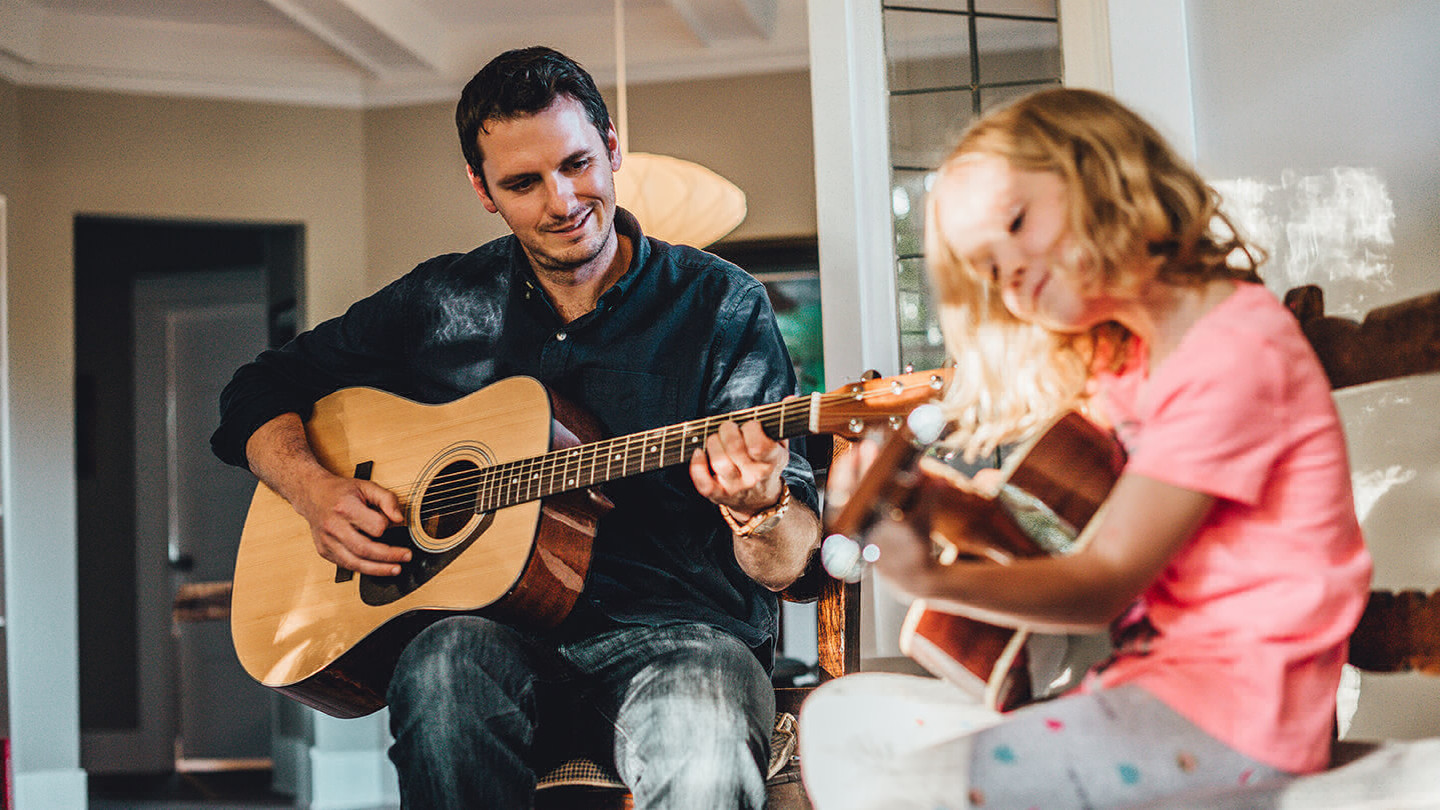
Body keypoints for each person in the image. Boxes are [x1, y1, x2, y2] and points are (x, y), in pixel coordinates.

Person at [210, 46, 821, 809]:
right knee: (438, 668)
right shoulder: (441, 304)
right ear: (481, 188)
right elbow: (257, 389)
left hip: (680, 635)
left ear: (612, 147)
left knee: (702, 724)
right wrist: (313, 489)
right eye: (523, 183)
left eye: (577, 164)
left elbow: (788, 564)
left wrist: (757, 503)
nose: (562, 201)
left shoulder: (720, 305)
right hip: (493, 635)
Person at [798, 88, 1373, 809]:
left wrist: (933, 580)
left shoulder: (1233, 349)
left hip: (1242, 718)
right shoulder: (1132, 361)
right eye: (987, 270)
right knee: (838, 719)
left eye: (1016, 221)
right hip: (1152, 685)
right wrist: (945, 507)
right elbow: (1064, 544)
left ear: (1103, 171)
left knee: (923, 784)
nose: (1008, 270)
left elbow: (1106, 580)